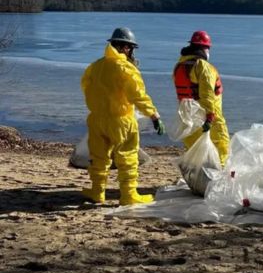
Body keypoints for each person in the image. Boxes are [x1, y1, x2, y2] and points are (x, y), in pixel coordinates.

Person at [81, 27, 165, 205]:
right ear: (126, 48)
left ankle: (97, 192)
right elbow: (138, 95)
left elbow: (86, 88)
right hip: (121, 119)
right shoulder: (125, 68)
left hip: (96, 119)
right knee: (127, 157)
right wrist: (154, 115)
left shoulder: (96, 66)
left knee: (99, 157)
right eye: (131, 49)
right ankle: (128, 195)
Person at [173, 30, 230, 166]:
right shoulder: (203, 66)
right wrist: (210, 116)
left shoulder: (179, 66)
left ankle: (198, 174)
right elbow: (207, 94)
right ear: (205, 48)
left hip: (188, 114)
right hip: (209, 114)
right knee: (221, 143)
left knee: (194, 147)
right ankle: (218, 175)